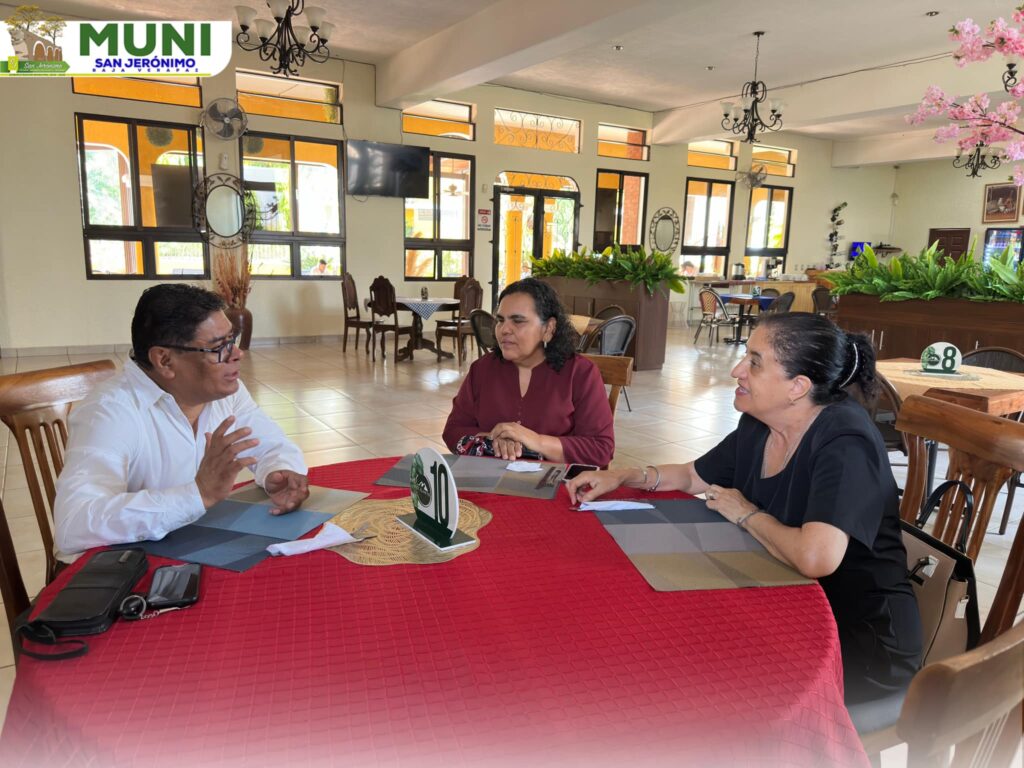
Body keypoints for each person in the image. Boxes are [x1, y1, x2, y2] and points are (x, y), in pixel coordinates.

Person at [567, 312, 922, 704]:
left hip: (857, 641)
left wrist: (746, 514)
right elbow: (692, 476)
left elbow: (816, 558)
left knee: (700, 685)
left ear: (798, 387)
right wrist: (624, 475)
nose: (736, 370)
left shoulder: (845, 441)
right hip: (781, 602)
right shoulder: (760, 422)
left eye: (754, 362)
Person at [54, 284, 309, 561]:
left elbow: (270, 445)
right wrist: (198, 494)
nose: (237, 354)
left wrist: (278, 472)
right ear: (164, 360)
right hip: (128, 566)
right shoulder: (110, 413)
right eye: (219, 347)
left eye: (232, 340)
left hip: (196, 545)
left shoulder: (222, 393)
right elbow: (74, 524)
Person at [442, 277, 614, 467]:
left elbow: (601, 449)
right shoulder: (482, 369)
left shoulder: (580, 373)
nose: (504, 329)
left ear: (548, 328)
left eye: (518, 321)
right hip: (489, 478)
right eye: (500, 320)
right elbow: (453, 431)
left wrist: (535, 441)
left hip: (557, 481)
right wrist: (494, 439)